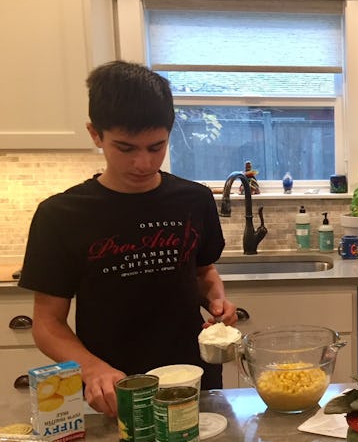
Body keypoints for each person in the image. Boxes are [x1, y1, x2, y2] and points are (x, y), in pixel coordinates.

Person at [19, 61, 237, 417]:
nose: (143, 162)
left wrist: (217, 301)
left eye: (156, 147)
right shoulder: (60, 215)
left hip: (194, 379)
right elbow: (47, 324)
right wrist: (92, 369)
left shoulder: (194, 199)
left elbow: (203, 272)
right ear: (95, 134)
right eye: (125, 148)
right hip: (113, 389)